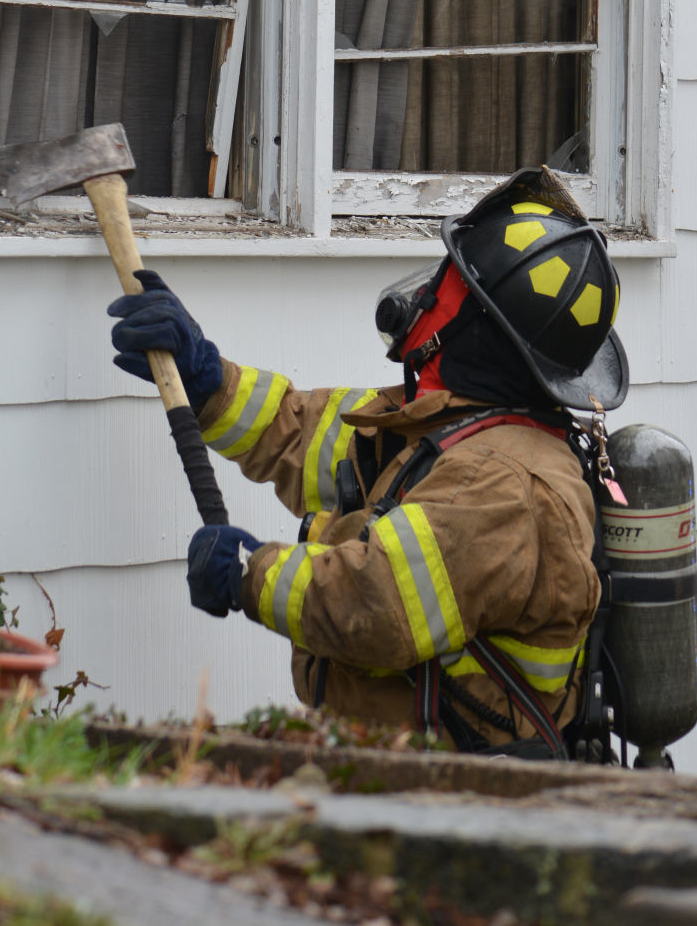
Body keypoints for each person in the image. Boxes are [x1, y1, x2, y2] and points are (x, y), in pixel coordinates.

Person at [107, 166, 628, 754]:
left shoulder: (503, 485)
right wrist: (205, 379)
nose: (428, 296)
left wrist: (251, 572)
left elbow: (377, 603)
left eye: (448, 285)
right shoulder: (446, 424)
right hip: (400, 765)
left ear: (476, 328)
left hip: (464, 798)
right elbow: (298, 433)